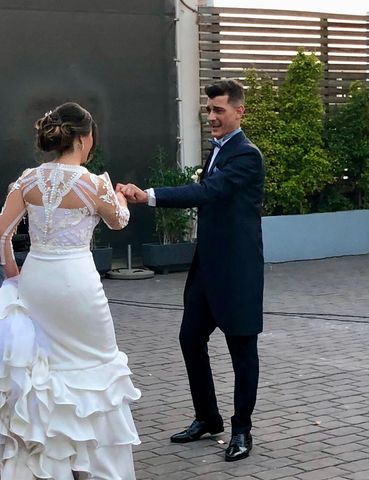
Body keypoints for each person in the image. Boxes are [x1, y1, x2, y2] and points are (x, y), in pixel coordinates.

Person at [0, 102, 140, 479]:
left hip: (37, 279)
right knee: (95, 369)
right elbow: (119, 222)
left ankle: (45, 463)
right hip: (77, 282)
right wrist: (120, 196)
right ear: (83, 138)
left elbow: (0, 234)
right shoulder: (93, 184)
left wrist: (13, 275)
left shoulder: (28, 180)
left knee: (42, 374)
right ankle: (93, 465)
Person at [117, 79, 264, 462]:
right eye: (209, 109)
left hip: (237, 272)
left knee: (241, 350)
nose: (211, 116)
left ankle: (242, 430)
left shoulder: (247, 155)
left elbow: (208, 193)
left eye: (219, 110)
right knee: (189, 339)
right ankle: (208, 417)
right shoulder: (219, 151)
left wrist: (148, 195)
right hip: (206, 268)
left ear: (239, 111)